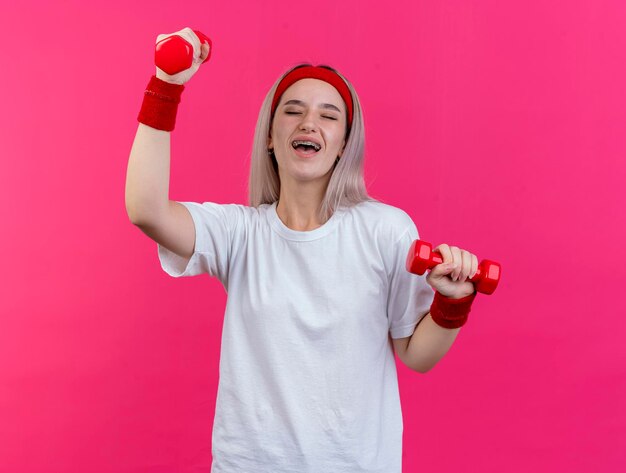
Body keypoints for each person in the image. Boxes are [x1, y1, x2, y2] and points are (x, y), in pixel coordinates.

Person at [126, 27, 479, 473]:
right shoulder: (241, 233)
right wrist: (166, 85)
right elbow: (146, 209)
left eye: (328, 115)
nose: (308, 122)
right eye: (292, 111)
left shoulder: (386, 230)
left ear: (344, 145)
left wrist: (453, 303)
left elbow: (416, 353)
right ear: (271, 138)